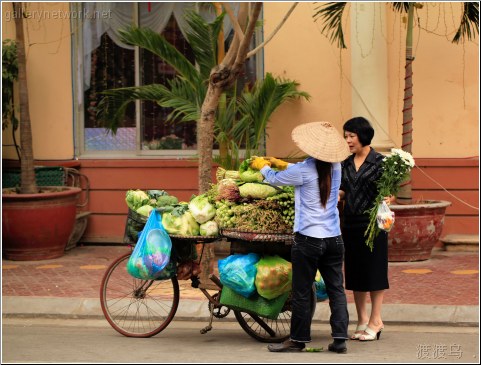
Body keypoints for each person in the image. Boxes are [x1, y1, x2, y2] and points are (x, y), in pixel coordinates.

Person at [250, 121, 351, 353]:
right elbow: (303, 171)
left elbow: (274, 179)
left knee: (302, 291)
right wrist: (283, 164)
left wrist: (263, 166)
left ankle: (297, 340)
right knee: (336, 289)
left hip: (308, 239)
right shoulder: (336, 166)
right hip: (334, 238)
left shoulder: (304, 170)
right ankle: (339, 339)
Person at [339, 116, 393, 342]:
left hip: (374, 225)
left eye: (351, 136)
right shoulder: (345, 164)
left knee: (374, 272)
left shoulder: (381, 162)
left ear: (363, 135)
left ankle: (376, 320)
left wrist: (390, 198)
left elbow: (390, 193)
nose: (348, 141)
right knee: (355, 273)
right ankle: (362, 320)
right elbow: (343, 190)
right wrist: (334, 197)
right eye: (346, 137)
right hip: (350, 223)